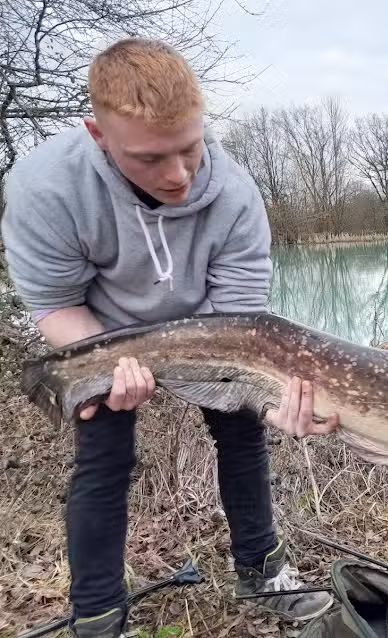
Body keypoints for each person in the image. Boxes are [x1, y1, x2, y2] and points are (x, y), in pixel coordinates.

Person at [1, 38, 337, 637]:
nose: (178, 175)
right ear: (98, 136)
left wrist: (271, 396)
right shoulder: (43, 188)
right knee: (104, 456)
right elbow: (56, 302)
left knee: (244, 433)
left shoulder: (235, 196)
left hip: (214, 326)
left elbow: (239, 327)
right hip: (100, 328)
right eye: (150, 159)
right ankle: (98, 617)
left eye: (190, 148)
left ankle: (261, 573)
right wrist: (110, 368)